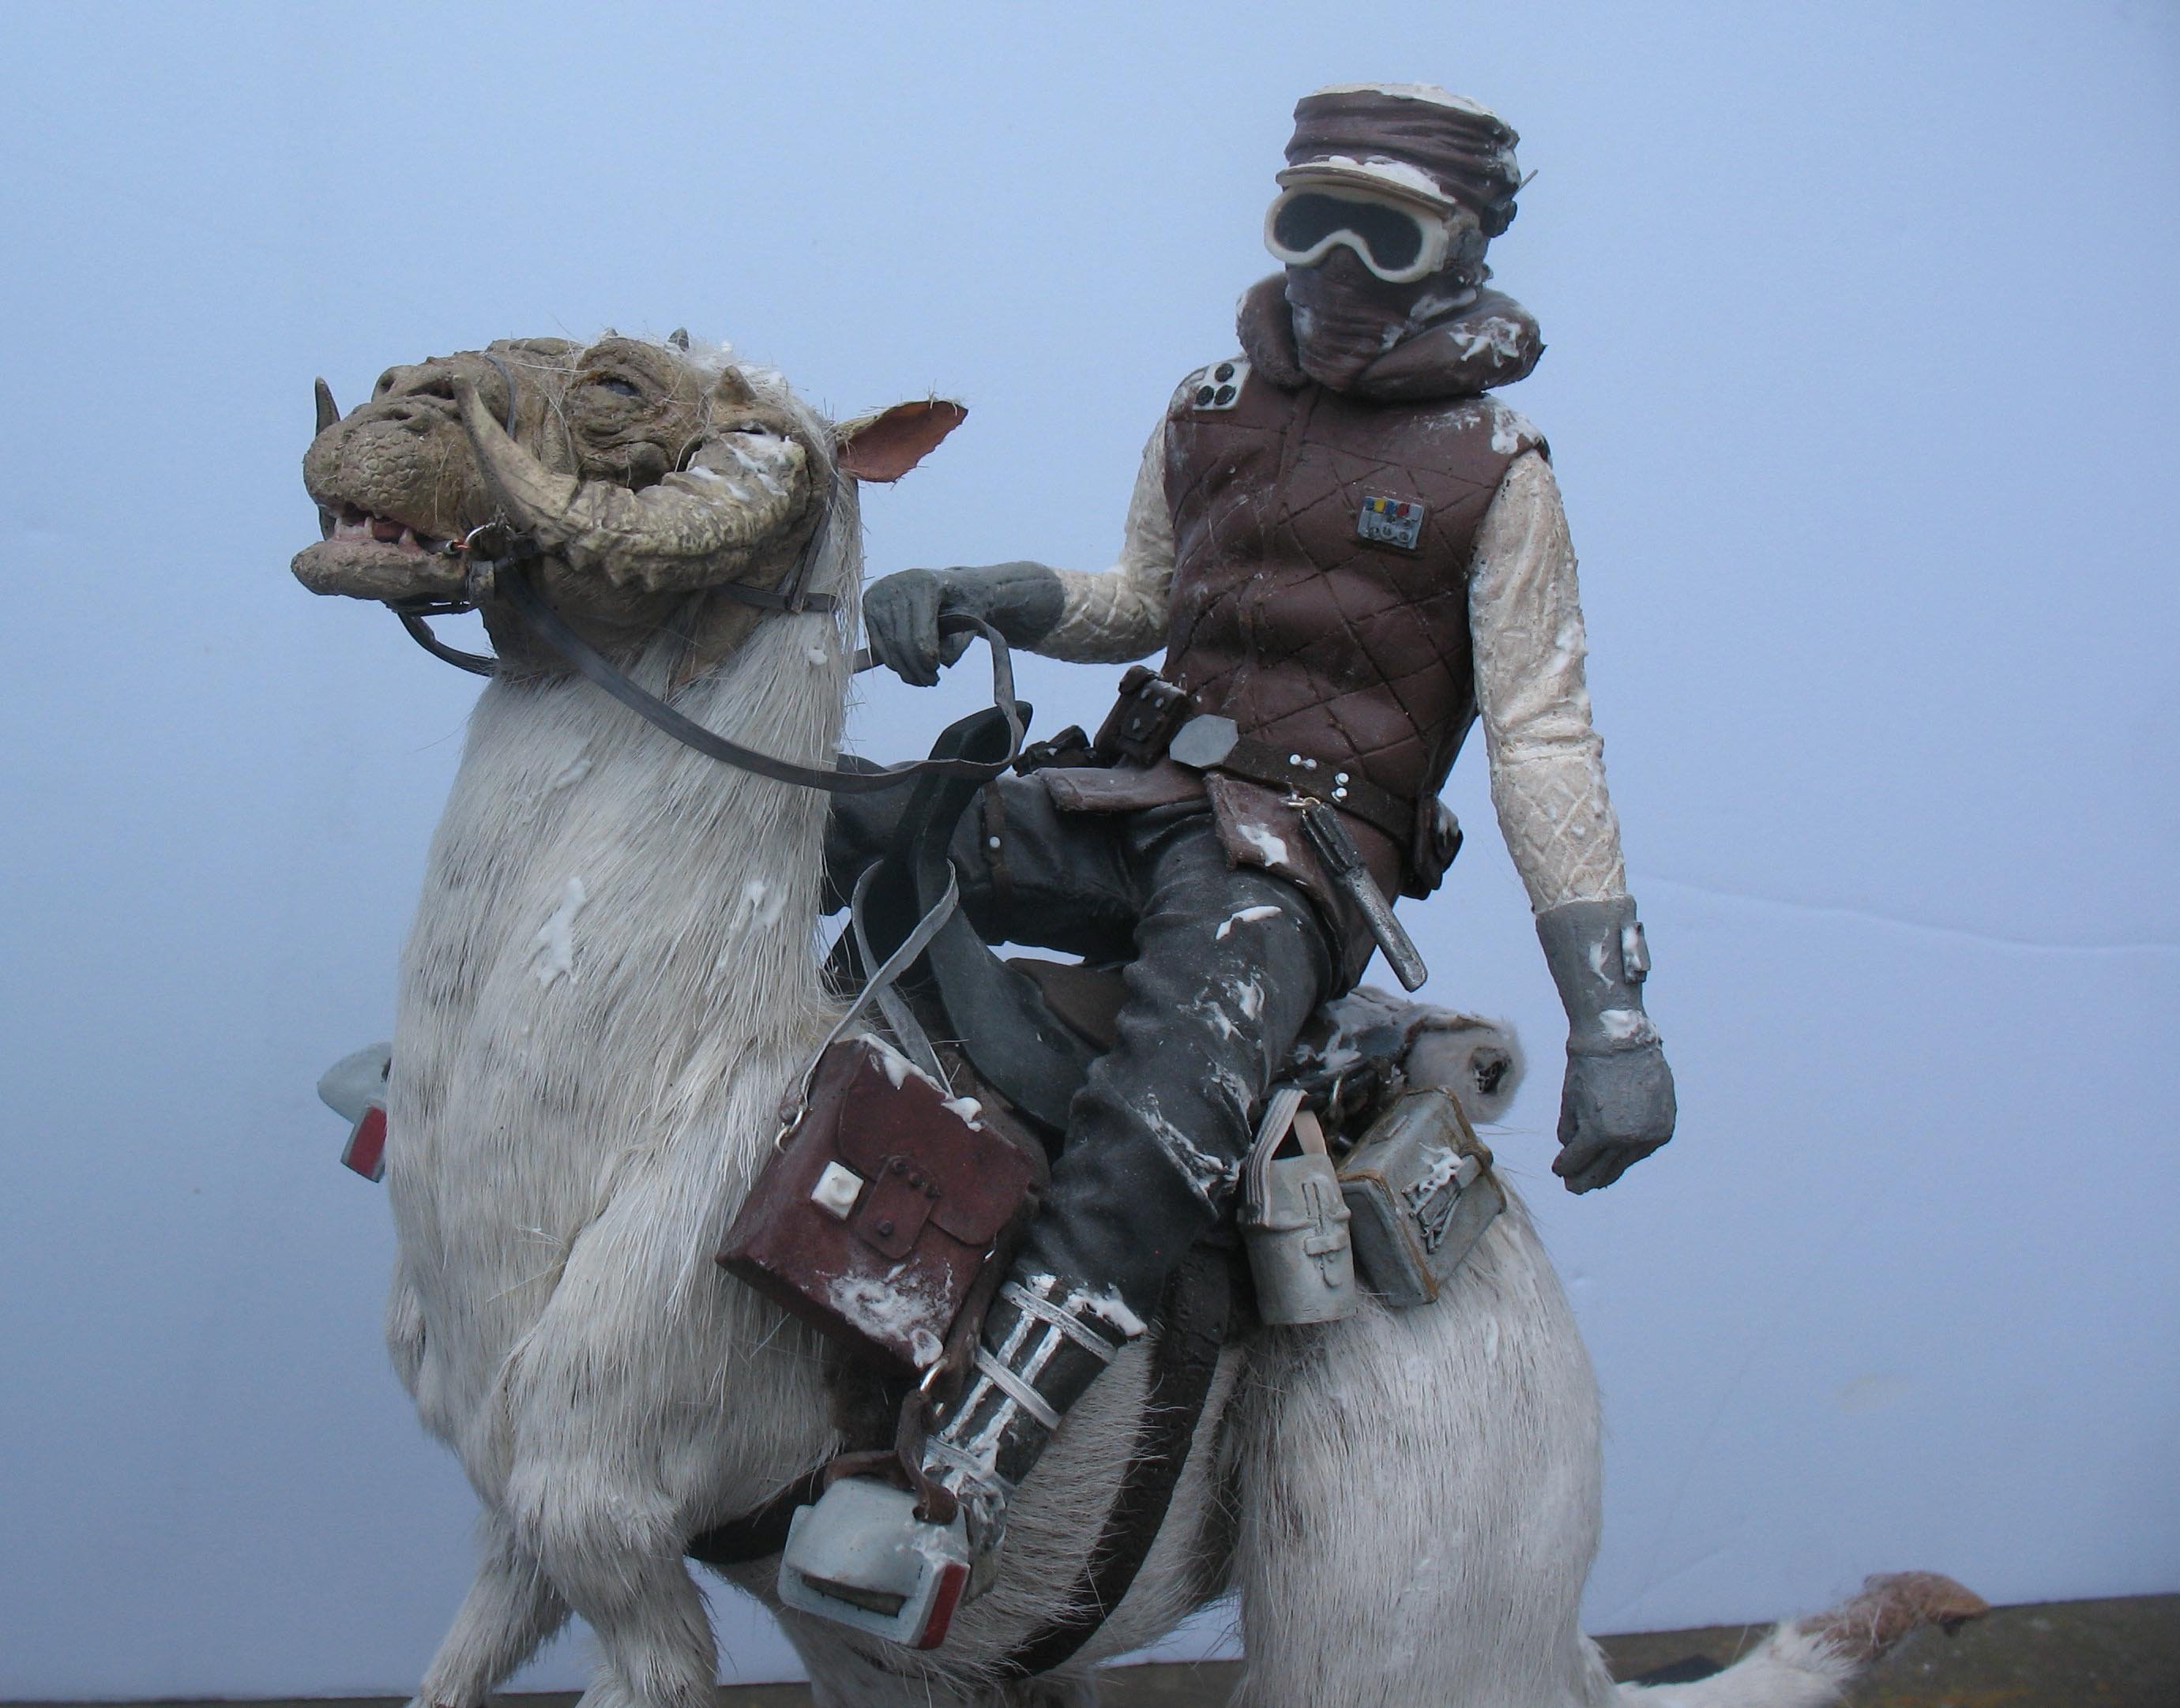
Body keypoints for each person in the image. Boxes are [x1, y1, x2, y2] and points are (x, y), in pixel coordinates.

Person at [787, 81, 1676, 1641]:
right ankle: (544, 1050)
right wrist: (1002, 589)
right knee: (831, 814)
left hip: (1295, 863)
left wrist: (1611, 1019)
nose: (1338, 264)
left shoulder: (1496, 468)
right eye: (1311, 219)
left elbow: (1543, 735)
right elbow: (1142, 594)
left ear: (1461, 251)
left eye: (1385, 233)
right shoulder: (1210, 404)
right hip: (1133, 791)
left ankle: (963, 1474)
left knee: (1168, 1104)